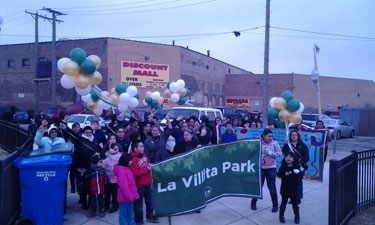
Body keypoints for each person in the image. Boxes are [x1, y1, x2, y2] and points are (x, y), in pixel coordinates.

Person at [251, 128, 282, 213]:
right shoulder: (259, 142)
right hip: (260, 169)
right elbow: (251, 150)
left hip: (271, 169)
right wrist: (255, 142)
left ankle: (275, 205)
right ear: (263, 136)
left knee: (272, 187)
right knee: (258, 186)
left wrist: (270, 153)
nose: (271, 138)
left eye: (272, 136)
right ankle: (253, 202)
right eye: (269, 136)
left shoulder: (275, 143)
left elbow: (280, 153)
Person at [130, 141, 159, 224]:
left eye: (143, 146)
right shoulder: (132, 159)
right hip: (139, 185)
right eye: (141, 146)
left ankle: (149, 216)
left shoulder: (144, 155)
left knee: (150, 201)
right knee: (138, 204)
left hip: (147, 183)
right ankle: (139, 220)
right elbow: (135, 173)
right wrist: (146, 169)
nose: (143, 148)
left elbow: (147, 165)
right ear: (135, 149)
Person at [282, 130, 309, 204]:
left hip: (300, 167)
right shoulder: (288, 145)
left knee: (298, 182)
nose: (293, 136)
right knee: (290, 183)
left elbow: (306, 157)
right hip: (290, 167)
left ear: (298, 136)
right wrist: (286, 143)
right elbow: (284, 152)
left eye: (295, 135)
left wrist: (300, 163)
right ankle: (292, 197)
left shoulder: (303, 146)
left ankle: (298, 198)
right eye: (292, 135)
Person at [277, 151, 303, 224]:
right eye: (286, 156)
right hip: (284, 189)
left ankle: (297, 217)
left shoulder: (296, 167)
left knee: (295, 204)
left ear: (294, 159)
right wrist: (284, 174)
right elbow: (279, 175)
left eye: (290, 157)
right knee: (283, 203)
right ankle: (281, 216)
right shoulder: (283, 166)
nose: (288, 158)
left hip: (294, 189)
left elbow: (300, 176)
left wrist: (293, 173)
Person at [114, 153, 139, 225]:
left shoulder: (127, 168)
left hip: (129, 197)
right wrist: (130, 197)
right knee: (124, 213)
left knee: (130, 212)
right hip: (125, 198)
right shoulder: (122, 171)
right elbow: (123, 187)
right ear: (126, 161)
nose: (132, 162)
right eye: (130, 160)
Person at [85, 154, 107, 218]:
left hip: (101, 188)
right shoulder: (90, 170)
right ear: (95, 163)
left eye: (102, 162)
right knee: (92, 201)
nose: (101, 164)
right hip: (92, 189)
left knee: (101, 200)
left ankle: (102, 210)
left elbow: (105, 179)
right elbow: (86, 179)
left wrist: (106, 186)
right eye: (99, 162)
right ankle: (93, 211)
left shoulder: (103, 170)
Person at [104, 143, 123, 213]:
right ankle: (106, 205)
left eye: (116, 149)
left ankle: (115, 206)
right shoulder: (107, 157)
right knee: (107, 193)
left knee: (115, 194)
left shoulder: (120, 157)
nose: (115, 151)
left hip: (116, 179)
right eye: (114, 149)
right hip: (108, 179)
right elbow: (103, 166)